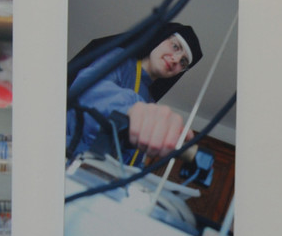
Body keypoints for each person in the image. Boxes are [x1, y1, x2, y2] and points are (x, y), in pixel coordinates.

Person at [66, 22, 203, 161]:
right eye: (175, 46)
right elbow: (88, 90)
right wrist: (134, 109)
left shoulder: (151, 103)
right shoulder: (120, 59)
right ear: (161, 37)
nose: (176, 59)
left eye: (183, 62)